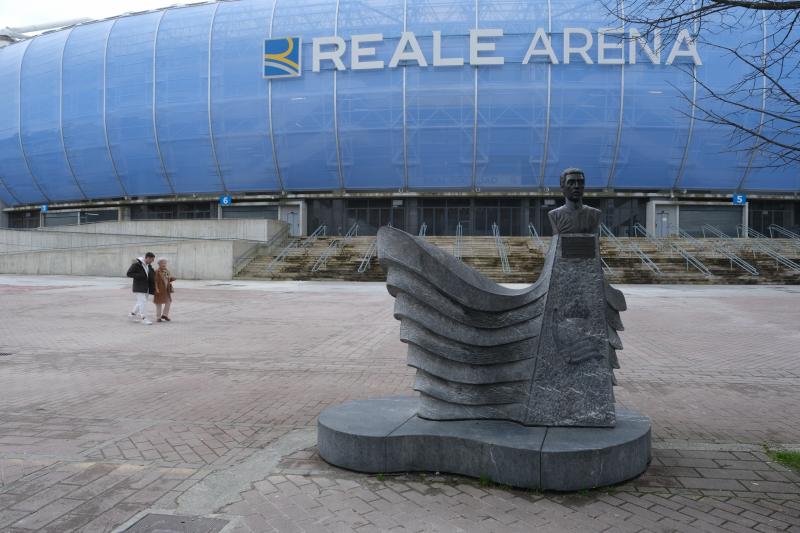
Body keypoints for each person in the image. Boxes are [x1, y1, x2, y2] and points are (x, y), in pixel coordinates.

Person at [547, 168, 602, 235]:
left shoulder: (595, 214)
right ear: (562, 187)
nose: (576, 186)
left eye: (580, 182)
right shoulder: (554, 215)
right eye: (571, 182)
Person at [127, 252, 156, 325]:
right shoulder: (136, 265)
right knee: (143, 302)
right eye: (152, 259)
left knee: (141, 302)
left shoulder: (148, 266)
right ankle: (144, 318)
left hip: (146, 287)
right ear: (147, 258)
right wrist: (140, 276)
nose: (152, 261)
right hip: (139, 287)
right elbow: (129, 273)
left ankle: (132, 315)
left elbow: (151, 275)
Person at [153, 258, 176, 322]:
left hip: (166, 290)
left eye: (165, 263)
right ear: (159, 264)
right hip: (159, 289)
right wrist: (156, 289)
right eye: (163, 263)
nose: (164, 264)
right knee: (158, 303)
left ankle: (165, 315)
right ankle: (158, 317)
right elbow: (155, 281)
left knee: (168, 302)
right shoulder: (156, 272)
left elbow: (168, 279)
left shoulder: (166, 271)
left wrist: (172, 279)